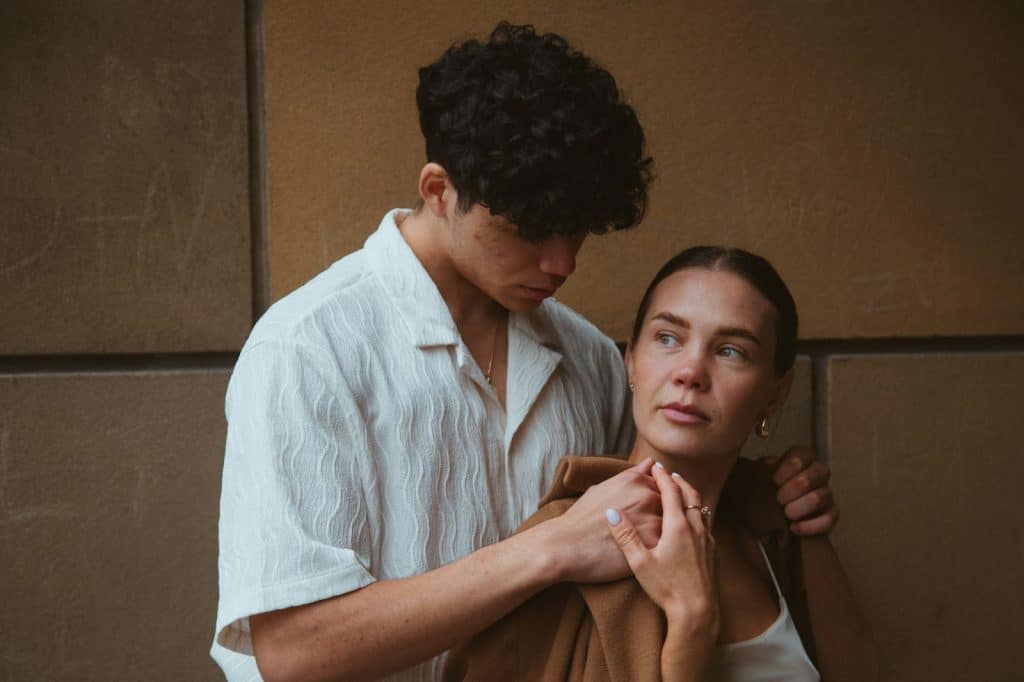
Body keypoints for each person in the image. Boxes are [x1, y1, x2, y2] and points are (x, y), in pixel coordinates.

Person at [212, 23, 840, 681]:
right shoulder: (309, 350)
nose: (562, 263)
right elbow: (293, 652)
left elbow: (652, 527)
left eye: (577, 232)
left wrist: (775, 492)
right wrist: (553, 548)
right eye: (530, 232)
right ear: (439, 191)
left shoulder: (589, 357)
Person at [444, 247, 877, 681]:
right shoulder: (571, 540)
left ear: (776, 392)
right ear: (632, 361)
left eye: (731, 351)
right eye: (668, 338)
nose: (690, 372)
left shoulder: (772, 527)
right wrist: (692, 623)